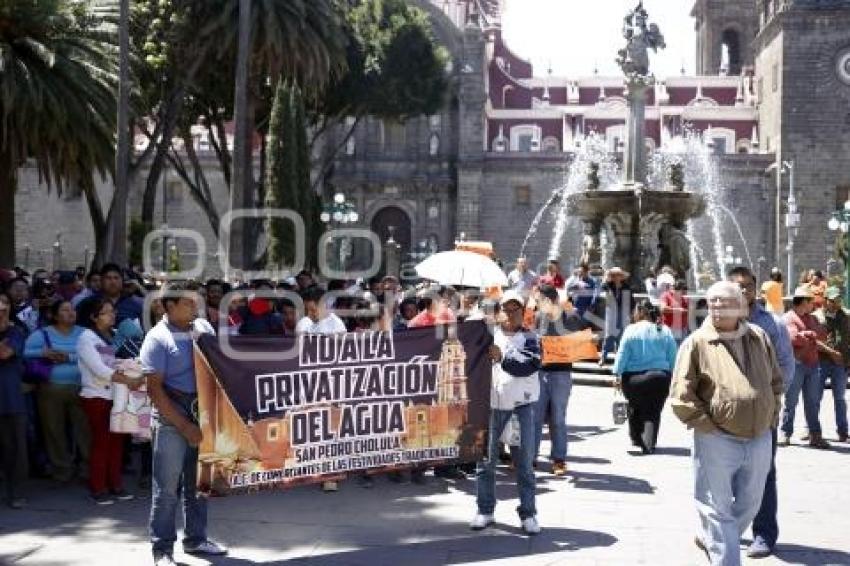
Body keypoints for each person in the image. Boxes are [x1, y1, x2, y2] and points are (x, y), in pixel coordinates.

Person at [670, 281, 783, 566]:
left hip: (759, 435)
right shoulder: (696, 342)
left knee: (752, 502)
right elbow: (681, 393)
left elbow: (775, 381)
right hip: (716, 437)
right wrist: (705, 425)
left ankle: (713, 538)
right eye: (712, 302)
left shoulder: (759, 337)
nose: (717, 306)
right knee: (716, 507)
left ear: (742, 306)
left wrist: (771, 414)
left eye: (724, 301)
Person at [140, 282, 225, 566]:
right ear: (169, 307)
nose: (195, 308)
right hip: (170, 420)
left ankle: (197, 539)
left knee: (199, 485)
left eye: (195, 303)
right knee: (166, 490)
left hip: (203, 416)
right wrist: (184, 425)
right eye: (188, 303)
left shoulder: (203, 328)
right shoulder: (157, 338)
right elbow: (155, 391)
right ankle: (162, 549)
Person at [726, 266, 795, 559]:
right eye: (736, 286)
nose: (743, 291)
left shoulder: (772, 325)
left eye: (747, 286)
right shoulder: (716, 322)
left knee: (764, 474)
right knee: (723, 475)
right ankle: (724, 531)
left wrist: (772, 402)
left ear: (755, 289)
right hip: (725, 415)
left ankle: (764, 533)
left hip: (762, 415)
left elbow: (786, 366)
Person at [471, 290, 542, 535]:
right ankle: (485, 510)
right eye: (507, 309)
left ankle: (529, 513)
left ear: (523, 312)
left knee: (524, 464)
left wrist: (502, 358)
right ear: (501, 311)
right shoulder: (489, 335)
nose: (511, 313)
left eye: (516, 309)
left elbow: (530, 366)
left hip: (519, 408)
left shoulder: (532, 338)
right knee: (485, 462)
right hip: (491, 407)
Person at [77, 298, 139, 504]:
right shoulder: (86, 338)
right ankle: (98, 488)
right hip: (96, 396)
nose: (112, 315)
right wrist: (128, 379)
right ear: (94, 317)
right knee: (102, 443)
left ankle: (115, 485)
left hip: (113, 396)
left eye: (112, 311)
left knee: (116, 443)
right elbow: (100, 369)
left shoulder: (110, 336)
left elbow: (112, 364)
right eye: (106, 312)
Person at [23, 300, 89, 483]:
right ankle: (62, 469)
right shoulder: (42, 334)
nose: (71, 313)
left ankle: (88, 468)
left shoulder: (84, 333)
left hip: (81, 387)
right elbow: (23, 352)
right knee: (54, 430)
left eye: (73, 309)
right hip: (50, 388)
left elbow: (99, 353)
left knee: (85, 430)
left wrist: (68, 357)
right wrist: (43, 354)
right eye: (65, 310)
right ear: (54, 315)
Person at [533, 284, 592, 474]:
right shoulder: (537, 318)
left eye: (539, 301)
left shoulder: (571, 317)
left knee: (557, 418)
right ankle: (530, 458)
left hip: (561, 374)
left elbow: (583, 342)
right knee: (535, 418)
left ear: (550, 301)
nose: (537, 305)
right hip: (540, 373)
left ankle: (559, 459)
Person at [295, 287, 347, 492]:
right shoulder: (308, 324)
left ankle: (331, 476)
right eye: (308, 310)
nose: (311, 313)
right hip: (311, 383)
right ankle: (315, 468)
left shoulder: (336, 325)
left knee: (331, 429)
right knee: (315, 427)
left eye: (313, 309)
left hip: (331, 384)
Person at [612, 299, 677, 454]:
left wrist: (616, 374)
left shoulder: (630, 329)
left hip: (633, 379)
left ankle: (636, 438)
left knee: (635, 406)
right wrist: (674, 375)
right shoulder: (664, 330)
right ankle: (648, 443)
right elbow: (673, 355)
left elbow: (622, 354)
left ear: (640, 312)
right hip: (660, 377)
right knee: (653, 411)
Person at [782, 286, 830, 449]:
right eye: (811, 302)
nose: (814, 305)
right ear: (804, 301)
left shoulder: (812, 318)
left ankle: (815, 435)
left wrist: (809, 335)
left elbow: (823, 334)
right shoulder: (788, 318)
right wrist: (810, 335)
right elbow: (794, 339)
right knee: (791, 401)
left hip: (812, 365)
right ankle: (785, 433)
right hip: (796, 366)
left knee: (813, 402)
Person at [0, 292, 28, 509]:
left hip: (10, 399)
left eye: (5, 303)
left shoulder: (16, 331)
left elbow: (5, 353)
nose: (2, 307)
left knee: (14, 449)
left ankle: (17, 492)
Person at [813, 286, 849, 443]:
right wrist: (832, 353)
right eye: (832, 300)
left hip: (840, 363)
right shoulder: (817, 317)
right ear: (825, 300)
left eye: (838, 300)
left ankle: (843, 431)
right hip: (821, 361)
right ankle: (812, 430)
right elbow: (814, 340)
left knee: (840, 398)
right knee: (815, 397)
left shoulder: (847, 316)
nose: (835, 303)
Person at [599, 267, 630, 366]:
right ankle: (603, 357)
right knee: (608, 337)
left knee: (621, 338)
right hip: (611, 314)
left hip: (622, 314)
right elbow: (601, 287)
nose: (617, 277)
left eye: (618, 275)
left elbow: (631, 301)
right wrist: (607, 276)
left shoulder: (626, 287)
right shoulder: (608, 285)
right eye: (614, 275)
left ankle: (619, 360)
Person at [660, 278, 689, 343]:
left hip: (682, 329)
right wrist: (678, 310)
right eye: (683, 291)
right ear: (679, 289)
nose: (685, 293)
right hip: (669, 329)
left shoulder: (684, 298)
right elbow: (663, 309)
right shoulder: (666, 295)